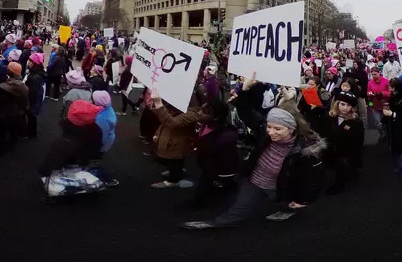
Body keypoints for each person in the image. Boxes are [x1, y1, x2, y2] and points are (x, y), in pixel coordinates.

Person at [179, 107, 327, 229]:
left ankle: (288, 211)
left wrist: (303, 200)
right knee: (241, 206)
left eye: (278, 129)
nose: (271, 132)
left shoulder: (305, 151)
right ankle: (215, 223)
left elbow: (313, 180)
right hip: (255, 181)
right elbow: (248, 111)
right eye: (269, 127)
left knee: (285, 203)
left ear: (292, 130)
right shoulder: (266, 136)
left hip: (280, 187)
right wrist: (246, 89)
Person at [38, 100, 103, 183]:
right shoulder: (97, 130)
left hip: (66, 173)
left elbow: (49, 166)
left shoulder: (64, 143)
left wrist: (42, 171)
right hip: (83, 166)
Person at [149, 90, 202, 189]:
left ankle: (172, 180)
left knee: (176, 160)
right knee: (173, 161)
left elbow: (171, 123)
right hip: (172, 140)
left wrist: (158, 103)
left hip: (179, 143)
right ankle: (176, 172)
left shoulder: (192, 113)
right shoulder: (178, 107)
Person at [324, 91, 365, 194]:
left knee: (341, 173)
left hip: (346, 153)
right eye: (342, 104)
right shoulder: (330, 117)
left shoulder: (356, 122)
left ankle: (339, 185)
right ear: (337, 104)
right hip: (331, 151)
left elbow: (359, 142)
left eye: (348, 105)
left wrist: (355, 158)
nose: (345, 108)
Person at [0, 62, 29, 156]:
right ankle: (11, 147)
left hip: (3, 114)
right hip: (16, 114)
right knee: (13, 132)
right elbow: (25, 101)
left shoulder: (2, 86)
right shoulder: (24, 87)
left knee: (1, 133)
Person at [383, 76, 402, 157]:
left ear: (396, 88)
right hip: (394, 125)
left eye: (391, 86)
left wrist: (392, 114)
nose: (389, 87)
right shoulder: (392, 96)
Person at [25, 53, 46, 138]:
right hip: (36, 101)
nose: (28, 62)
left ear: (35, 63)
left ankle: (31, 133)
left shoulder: (35, 77)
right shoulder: (37, 73)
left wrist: (28, 104)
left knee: (31, 117)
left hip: (33, 102)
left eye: (30, 61)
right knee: (32, 117)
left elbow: (33, 93)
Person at [366, 67, 391, 133]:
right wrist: (369, 94)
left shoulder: (386, 81)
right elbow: (368, 92)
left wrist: (382, 93)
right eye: (372, 74)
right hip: (374, 105)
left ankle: (387, 134)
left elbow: (390, 92)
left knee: (386, 122)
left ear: (379, 73)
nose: (373, 76)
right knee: (378, 122)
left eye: (375, 74)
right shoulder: (370, 82)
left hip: (385, 105)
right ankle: (382, 133)